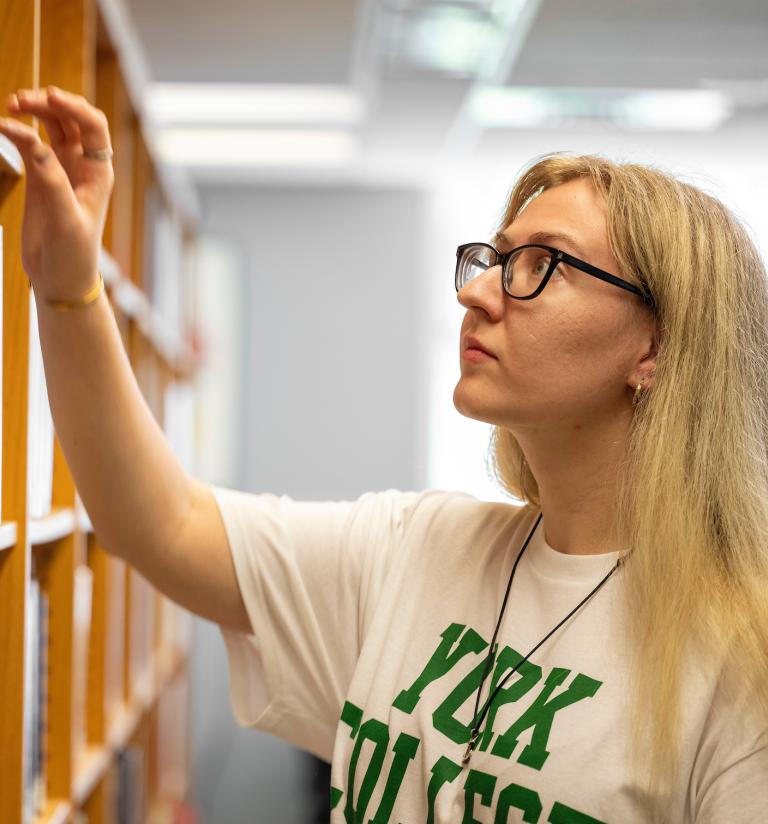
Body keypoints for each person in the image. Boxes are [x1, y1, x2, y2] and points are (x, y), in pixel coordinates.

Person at [1, 87, 766, 824]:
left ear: (655, 347)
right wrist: (70, 289)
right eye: (495, 260)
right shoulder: (421, 551)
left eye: (544, 265)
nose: (480, 294)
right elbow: (158, 525)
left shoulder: (739, 660)